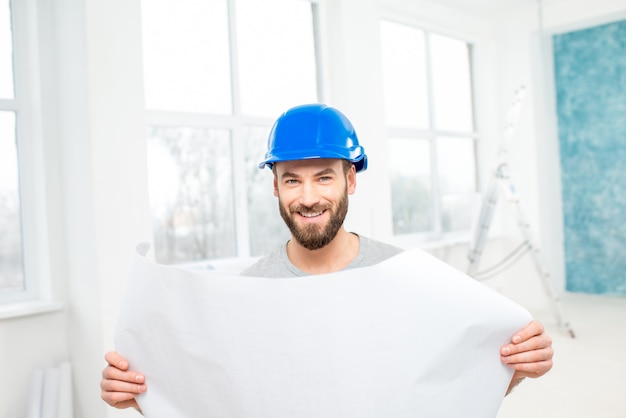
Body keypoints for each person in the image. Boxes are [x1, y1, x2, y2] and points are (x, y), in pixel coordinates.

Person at [101, 104, 553, 413]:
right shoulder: (247, 296)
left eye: (323, 177)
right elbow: (225, 400)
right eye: (292, 180)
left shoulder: (407, 280)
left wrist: (515, 367)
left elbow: (448, 389)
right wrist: (144, 396)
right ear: (275, 186)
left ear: (350, 181)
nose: (309, 197)